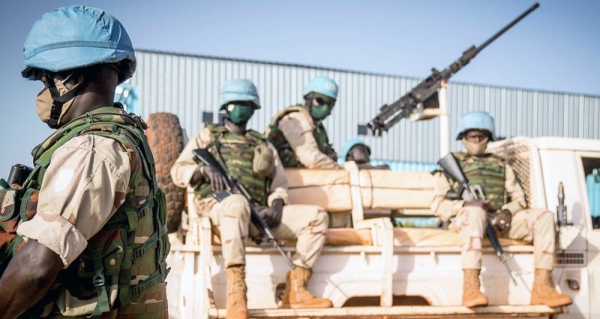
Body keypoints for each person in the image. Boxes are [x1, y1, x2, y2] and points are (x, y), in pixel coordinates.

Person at [0, 6, 170, 318]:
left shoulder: (93, 149)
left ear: (71, 80)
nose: (42, 94)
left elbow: (37, 266)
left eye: (44, 82)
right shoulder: (122, 136)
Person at [171, 79, 332, 319]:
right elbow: (177, 171)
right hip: (219, 210)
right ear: (226, 107)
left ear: (254, 108)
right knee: (236, 203)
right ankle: (237, 292)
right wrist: (203, 171)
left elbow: (279, 183)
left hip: (258, 215)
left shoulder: (262, 143)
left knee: (316, 217)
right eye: (238, 104)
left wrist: (277, 202)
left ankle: (296, 287)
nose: (242, 109)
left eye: (247, 104)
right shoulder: (207, 136)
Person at [431, 110, 572, 308]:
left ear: (488, 138)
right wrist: (465, 204)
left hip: (497, 222)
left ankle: (542, 287)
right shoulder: (451, 166)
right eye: (473, 136)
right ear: (463, 137)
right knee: (475, 212)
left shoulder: (500, 165)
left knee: (544, 216)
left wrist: (507, 211)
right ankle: (471, 288)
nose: (477, 140)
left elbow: (519, 200)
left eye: (482, 136)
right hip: (467, 224)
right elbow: (437, 205)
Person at [266, 76, 340, 169]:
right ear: (308, 99)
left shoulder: (318, 128)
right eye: (320, 101)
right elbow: (312, 159)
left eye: (330, 104)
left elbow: (329, 155)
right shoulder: (294, 119)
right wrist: (339, 169)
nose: (325, 108)